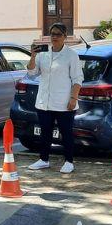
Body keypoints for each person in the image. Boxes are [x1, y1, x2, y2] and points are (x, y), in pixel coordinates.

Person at [26, 23, 84, 174]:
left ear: (65, 36)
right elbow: (32, 72)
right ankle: (44, 159)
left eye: (58, 34)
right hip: (44, 102)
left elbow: (77, 79)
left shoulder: (71, 55)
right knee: (45, 132)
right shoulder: (43, 54)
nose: (55, 37)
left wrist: (73, 98)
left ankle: (69, 161)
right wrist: (32, 55)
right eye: (52, 34)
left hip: (64, 102)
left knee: (66, 133)